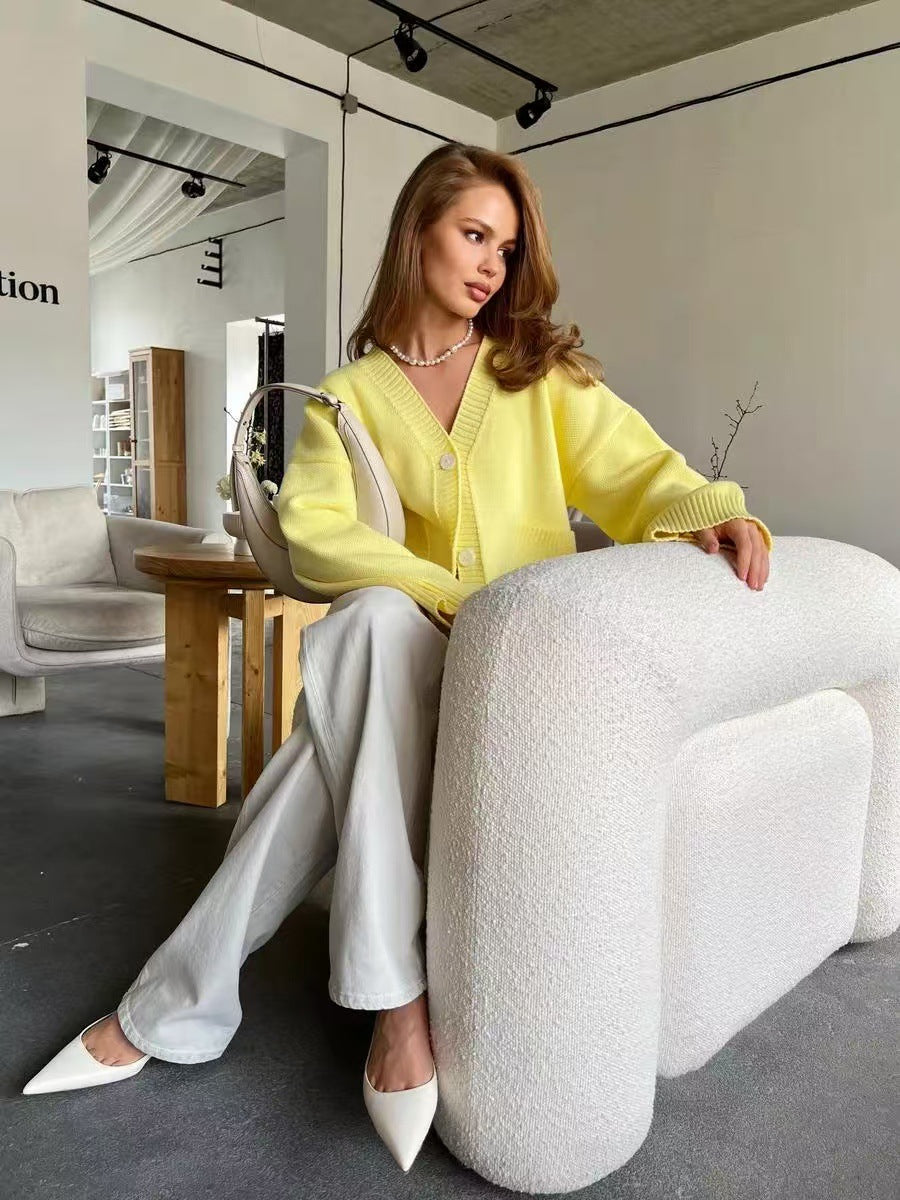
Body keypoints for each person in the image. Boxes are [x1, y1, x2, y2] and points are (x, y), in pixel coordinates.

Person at [22, 143, 773, 1172]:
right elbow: (316, 532)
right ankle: (396, 1003)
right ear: (418, 231)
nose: (491, 266)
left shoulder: (536, 376)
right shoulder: (347, 398)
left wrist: (715, 510)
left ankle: (175, 1006)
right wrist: (455, 599)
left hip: (519, 676)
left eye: (507, 250)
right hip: (409, 660)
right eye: (474, 235)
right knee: (374, 620)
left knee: (328, 732)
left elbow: (640, 474)